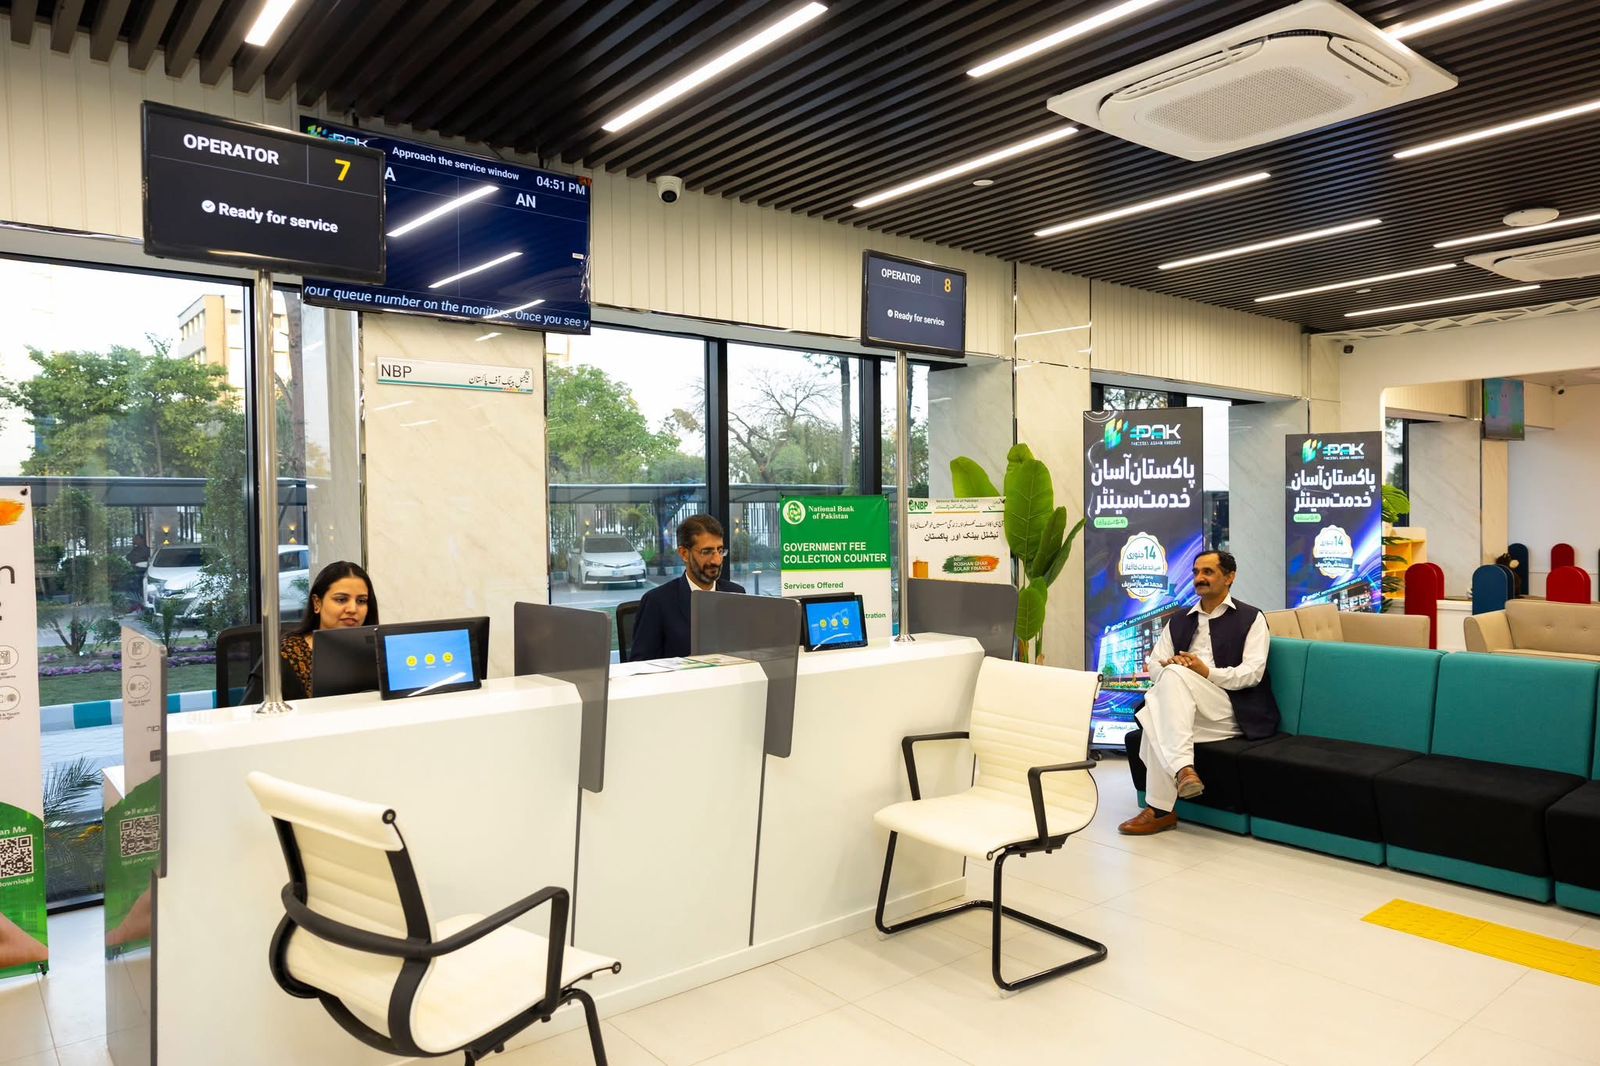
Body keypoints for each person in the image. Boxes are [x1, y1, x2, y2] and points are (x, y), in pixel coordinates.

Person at [1118, 549, 1278, 835]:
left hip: (1231, 709)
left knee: (1158, 705)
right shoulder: (1180, 619)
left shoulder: (1251, 618)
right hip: (1185, 709)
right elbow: (1154, 664)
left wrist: (1206, 672)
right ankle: (1174, 789)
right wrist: (1172, 668)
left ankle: (1163, 804)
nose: (1199, 578)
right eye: (1195, 572)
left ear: (1229, 577)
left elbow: (1252, 673)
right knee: (1167, 688)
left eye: (1208, 572)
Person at [246, 560, 379, 701]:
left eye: (361, 601)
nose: (352, 609)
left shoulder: (377, 650)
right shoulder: (285, 654)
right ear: (317, 603)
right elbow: (250, 711)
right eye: (341, 599)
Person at [628, 515, 745, 660]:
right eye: (706, 552)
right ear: (684, 553)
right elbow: (639, 664)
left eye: (720, 551)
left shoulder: (736, 594)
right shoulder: (657, 602)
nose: (716, 560)